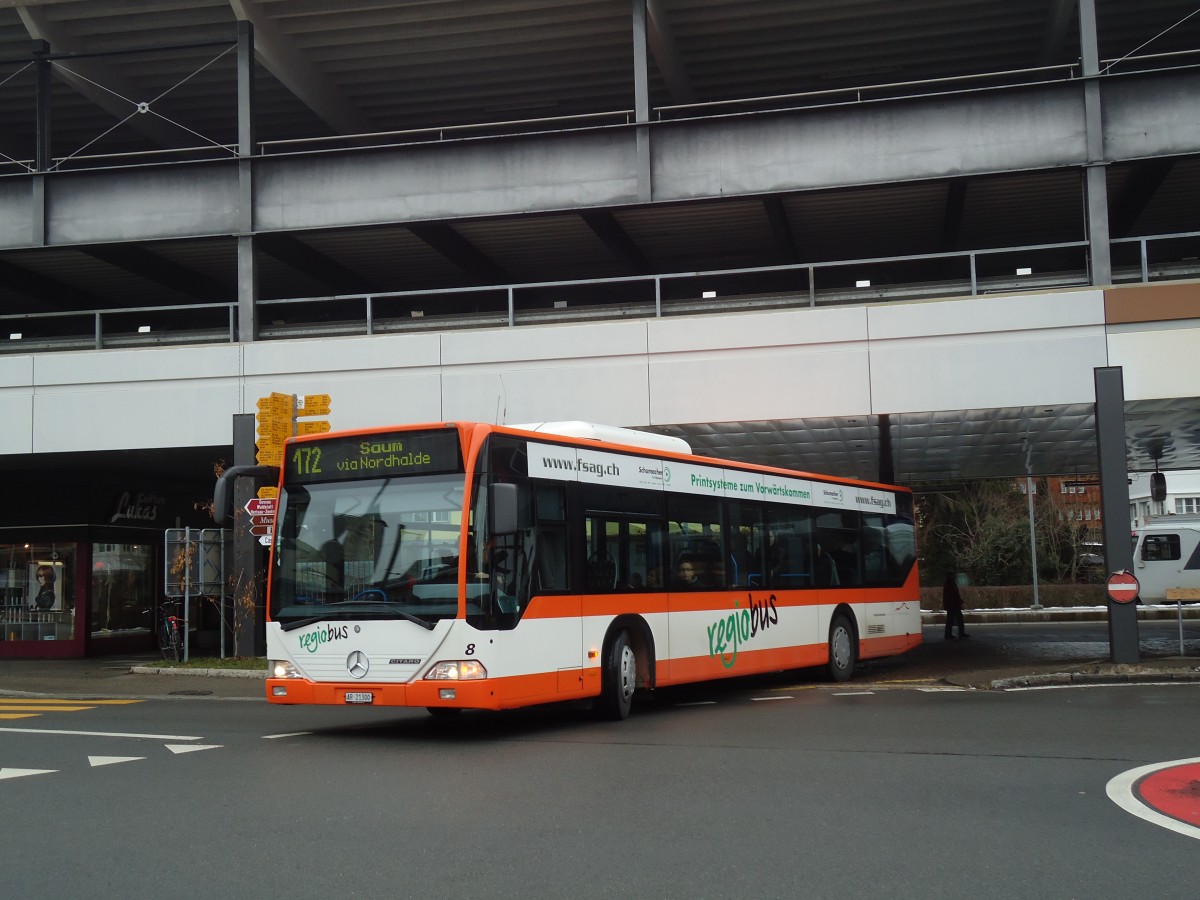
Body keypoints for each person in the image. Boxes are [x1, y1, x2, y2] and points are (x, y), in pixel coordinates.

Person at [943, 570, 968, 640]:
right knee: (958, 619)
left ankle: (948, 634)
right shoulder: (950, 584)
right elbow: (953, 595)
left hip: (951, 605)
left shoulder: (949, 583)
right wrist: (958, 601)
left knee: (950, 620)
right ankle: (960, 633)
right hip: (953, 605)